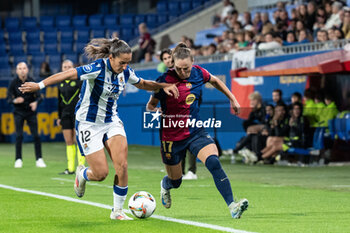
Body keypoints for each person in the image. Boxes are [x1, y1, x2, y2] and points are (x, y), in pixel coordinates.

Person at [19, 37, 179, 220]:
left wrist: (163, 86)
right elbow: (68, 74)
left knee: (123, 165)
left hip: (111, 121)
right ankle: (83, 174)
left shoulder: (125, 71)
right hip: (88, 123)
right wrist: (40, 85)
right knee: (101, 173)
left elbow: (142, 83)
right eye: (122, 63)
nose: (125, 67)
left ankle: (117, 211)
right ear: (111, 57)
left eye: (128, 63)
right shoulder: (97, 68)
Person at [146, 43, 248, 219]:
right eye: (178, 68)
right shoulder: (163, 80)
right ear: (173, 64)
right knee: (176, 181)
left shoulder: (199, 73)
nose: (183, 72)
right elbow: (150, 105)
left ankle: (233, 206)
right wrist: (156, 110)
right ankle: (166, 184)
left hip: (195, 131)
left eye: (186, 68)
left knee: (214, 162)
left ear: (193, 62)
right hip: (171, 137)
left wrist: (233, 99)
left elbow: (215, 81)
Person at [7, 62, 46, 168]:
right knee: (19, 136)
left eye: (24, 68)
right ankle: (18, 159)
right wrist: (15, 100)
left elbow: (40, 97)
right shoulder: (13, 83)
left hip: (30, 112)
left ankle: (39, 159)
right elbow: (8, 99)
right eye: (20, 68)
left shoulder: (32, 81)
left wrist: (35, 102)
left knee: (36, 136)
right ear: (16, 70)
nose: (22, 70)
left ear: (27, 69)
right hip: (18, 112)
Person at [57, 60, 85, 175]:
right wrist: (59, 117)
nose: (67, 68)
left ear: (73, 68)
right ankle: (70, 168)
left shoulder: (79, 81)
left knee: (78, 140)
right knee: (69, 141)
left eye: (69, 66)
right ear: (62, 68)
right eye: (65, 67)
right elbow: (59, 101)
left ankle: (81, 167)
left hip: (77, 114)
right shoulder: (60, 83)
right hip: (65, 114)